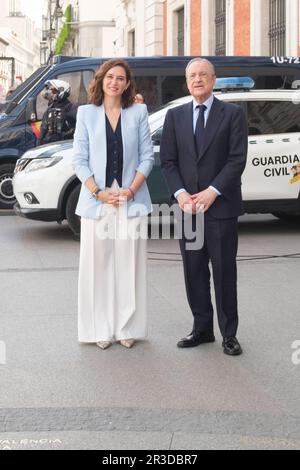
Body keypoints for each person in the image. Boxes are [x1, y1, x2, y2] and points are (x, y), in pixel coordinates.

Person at [160, 58, 248, 356]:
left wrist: (212, 192)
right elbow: (168, 162)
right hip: (188, 210)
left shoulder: (233, 114)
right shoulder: (175, 116)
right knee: (194, 270)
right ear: (187, 81)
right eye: (192, 75)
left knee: (224, 271)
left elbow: (237, 159)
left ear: (213, 79)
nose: (197, 80)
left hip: (220, 207)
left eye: (203, 75)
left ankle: (229, 334)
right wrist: (181, 194)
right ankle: (202, 329)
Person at [73, 59, 154, 350]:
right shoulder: (86, 113)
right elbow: (79, 160)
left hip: (130, 197)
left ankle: (126, 326)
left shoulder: (139, 112)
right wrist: (97, 192)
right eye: (110, 76)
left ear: (127, 84)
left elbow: (147, 157)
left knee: (129, 263)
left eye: (120, 78)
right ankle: (100, 328)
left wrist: (132, 190)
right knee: (98, 265)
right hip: (98, 199)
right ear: (102, 80)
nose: (114, 82)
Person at [37, 79, 77, 145]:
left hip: (64, 147)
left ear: (61, 91)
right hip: (48, 147)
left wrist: (64, 135)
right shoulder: (50, 109)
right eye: (50, 90)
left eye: (53, 91)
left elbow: (77, 131)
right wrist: (39, 143)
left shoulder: (71, 109)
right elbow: (43, 130)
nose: (50, 93)